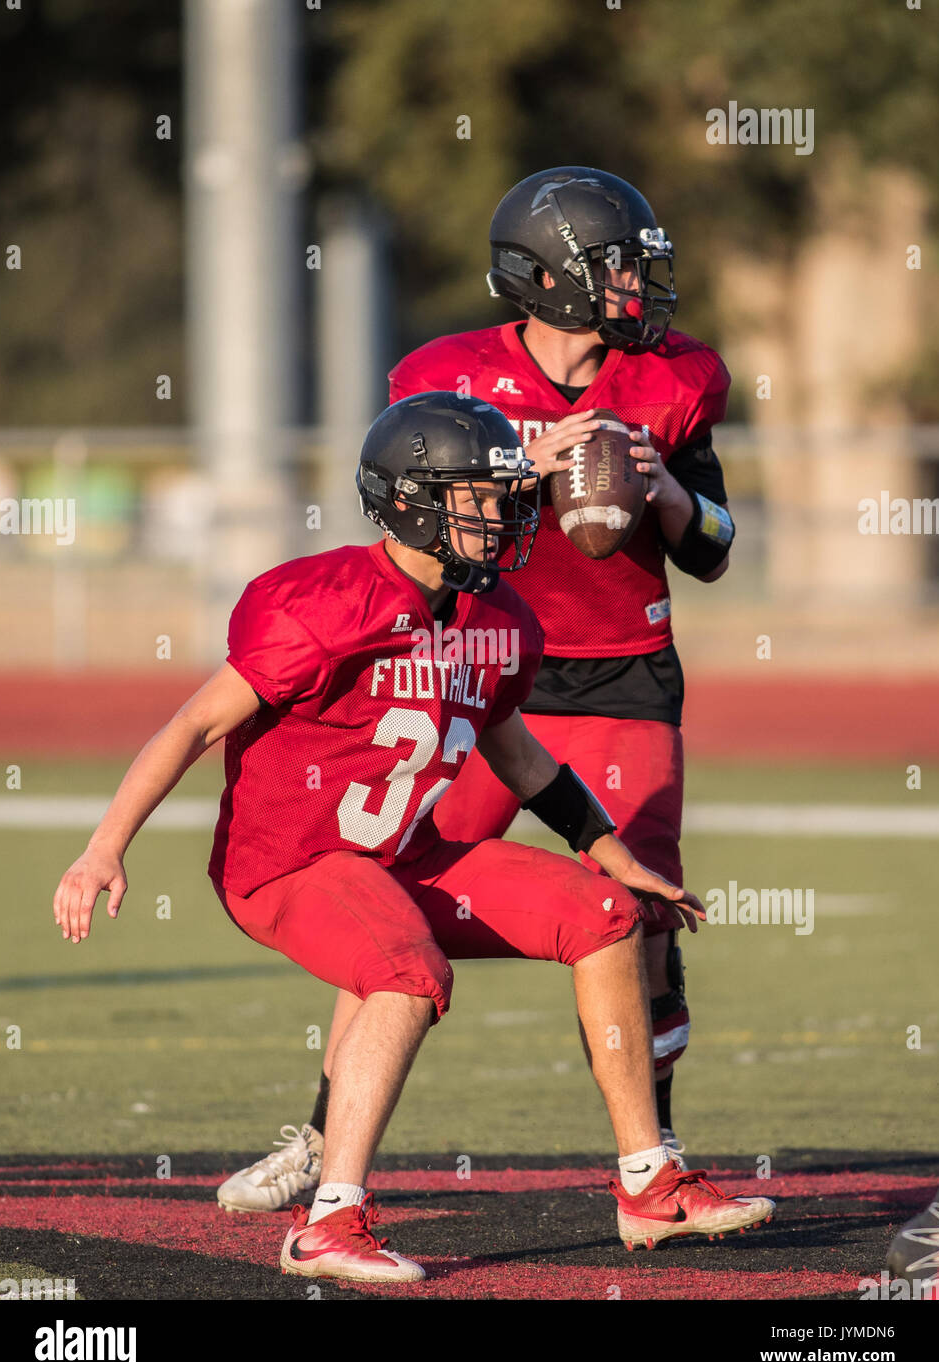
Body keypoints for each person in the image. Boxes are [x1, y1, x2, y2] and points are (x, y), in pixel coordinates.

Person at [54, 393, 772, 1282]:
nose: (505, 513)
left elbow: (517, 752)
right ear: (411, 500)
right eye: (478, 494)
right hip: (291, 864)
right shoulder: (323, 602)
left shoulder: (495, 617)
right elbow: (195, 725)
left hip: (403, 857)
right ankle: (328, 1222)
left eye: (506, 492)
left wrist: (608, 849)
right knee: (405, 972)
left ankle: (647, 1183)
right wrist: (103, 846)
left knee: (607, 915)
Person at [220, 166, 736, 1216]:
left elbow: (717, 547)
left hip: (620, 670)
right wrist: (511, 463)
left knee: (639, 915)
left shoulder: (675, 381)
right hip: (480, 665)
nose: (642, 286)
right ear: (546, 282)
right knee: (381, 886)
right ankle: (328, 1138)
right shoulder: (447, 378)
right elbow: (404, 502)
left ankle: (655, 1154)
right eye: (620, 268)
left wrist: (662, 485)